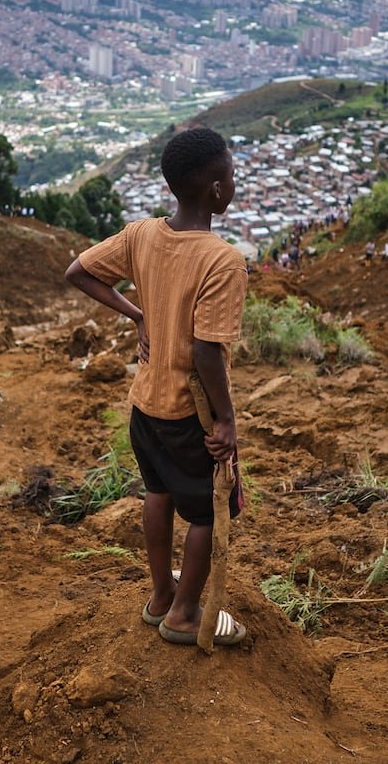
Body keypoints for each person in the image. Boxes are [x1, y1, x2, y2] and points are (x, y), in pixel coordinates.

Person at [65, 127, 248, 647]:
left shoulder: (142, 234)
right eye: (230, 175)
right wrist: (227, 420)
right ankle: (186, 614)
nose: (233, 182)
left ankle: (160, 597)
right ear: (215, 189)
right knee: (211, 513)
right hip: (189, 415)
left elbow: (78, 270)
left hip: (145, 405)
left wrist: (136, 313)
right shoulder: (222, 260)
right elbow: (206, 351)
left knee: (158, 493)